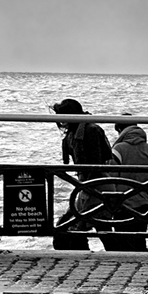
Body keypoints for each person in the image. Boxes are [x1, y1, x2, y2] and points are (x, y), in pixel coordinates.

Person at [51, 98, 113, 250]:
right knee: (94, 227)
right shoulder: (74, 133)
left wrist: (86, 188)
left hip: (96, 186)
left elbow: (97, 162)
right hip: (88, 186)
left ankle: (116, 256)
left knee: (97, 226)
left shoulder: (90, 130)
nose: (60, 121)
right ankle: (92, 254)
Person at [104, 114, 148, 252]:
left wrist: (111, 204)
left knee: (124, 241)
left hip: (122, 204)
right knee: (140, 240)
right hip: (144, 205)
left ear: (119, 129)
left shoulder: (118, 150)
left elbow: (111, 178)